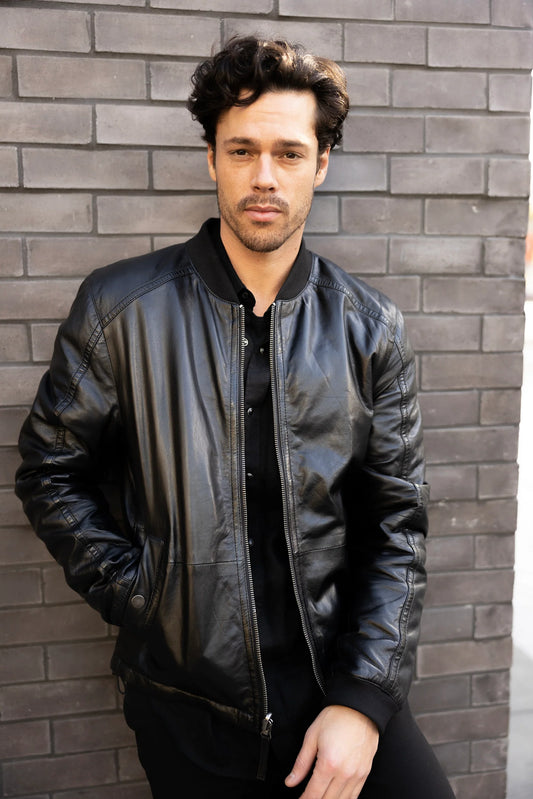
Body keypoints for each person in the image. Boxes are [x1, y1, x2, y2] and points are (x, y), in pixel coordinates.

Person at [15, 36, 455, 799]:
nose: (262, 177)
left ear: (320, 163)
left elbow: (396, 523)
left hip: (334, 679)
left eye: (288, 153)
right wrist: (146, 595)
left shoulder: (367, 326)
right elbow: (50, 471)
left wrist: (364, 699)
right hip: (190, 700)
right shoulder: (121, 308)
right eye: (241, 149)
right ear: (211, 158)